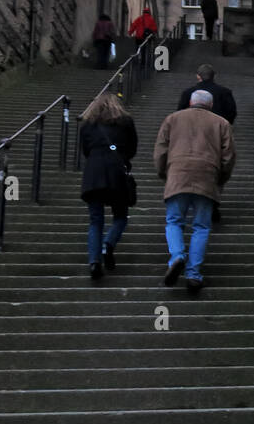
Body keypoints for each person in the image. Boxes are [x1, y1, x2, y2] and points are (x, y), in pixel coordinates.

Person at [154, 89, 236, 292]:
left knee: (174, 221)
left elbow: (161, 150)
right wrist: (220, 179)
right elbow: (228, 156)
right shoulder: (221, 123)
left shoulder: (172, 119)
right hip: (207, 177)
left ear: (191, 102)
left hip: (178, 174)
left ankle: (177, 256)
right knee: (201, 226)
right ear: (210, 105)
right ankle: (193, 274)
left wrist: (164, 173)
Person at [79, 93, 138, 279]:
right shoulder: (126, 122)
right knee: (120, 216)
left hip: (94, 173)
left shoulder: (88, 124)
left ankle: (94, 262)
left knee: (96, 220)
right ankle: (108, 244)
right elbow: (132, 148)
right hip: (117, 172)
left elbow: (85, 149)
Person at [177, 64, 237, 221]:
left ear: (198, 76)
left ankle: (191, 200)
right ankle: (212, 202)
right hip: (216, 138)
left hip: (190, 138)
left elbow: (180, 114)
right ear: (213, 76)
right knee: (215, 169)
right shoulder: (225, 92)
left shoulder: (188, 93)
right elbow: (232, 113)